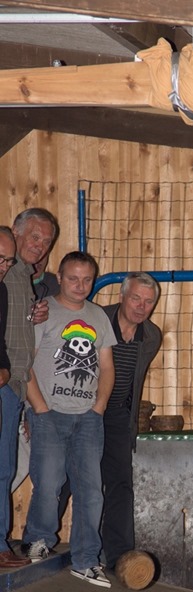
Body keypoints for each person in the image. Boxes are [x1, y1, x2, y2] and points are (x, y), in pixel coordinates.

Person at [21, 251, 117, 588]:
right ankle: (38, 539)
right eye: (73, 278)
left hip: (88, 418)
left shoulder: (98, 316)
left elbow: (107, 366)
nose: (80, 285)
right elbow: (25, 362)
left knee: (91, 491)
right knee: (48, 484)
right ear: (59, 278)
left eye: (87, 279)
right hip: (49, 413)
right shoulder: (43, 312)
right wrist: (39, 408)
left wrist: (99, 407)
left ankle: (86, 560)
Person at [0, 208, 58, 558]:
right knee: (3, 468)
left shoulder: (21, 275)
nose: (40, 245)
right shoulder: (9, 272)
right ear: (16, 233)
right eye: (35, 237)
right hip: (6, 383)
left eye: (47, 241)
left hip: (16, 386)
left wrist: (32, 315)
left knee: (6, 467)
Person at [101, 272, 162, 570]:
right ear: (122, 296)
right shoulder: (96, 320)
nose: (141, 306)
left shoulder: (151, 336)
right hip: (83, 411)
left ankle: (119, 558)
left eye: (148, 302)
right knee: (68, 477)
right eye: (136, 298)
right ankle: (43, 543)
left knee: (121, 483)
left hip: (118, 416)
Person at [0, 226, 32, 567]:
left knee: (3, 467)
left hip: (6, 388)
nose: (4, 267)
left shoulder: (3, 289)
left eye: (9, 261)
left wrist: (6, 371)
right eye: (0, 259)